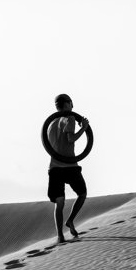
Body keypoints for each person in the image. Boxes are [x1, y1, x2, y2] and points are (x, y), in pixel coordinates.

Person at [46, 94, 90, 243]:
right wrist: (83, 128)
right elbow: (70, 138)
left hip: (55, 167)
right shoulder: (70, 118)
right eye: (72, 103)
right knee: (82, 194)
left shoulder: (51, 123)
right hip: (70, 166)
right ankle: (70, 220)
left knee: (59, 203)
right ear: (68, 104)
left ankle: (60, 236)